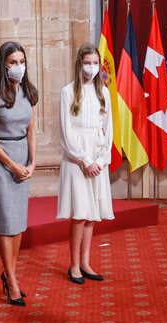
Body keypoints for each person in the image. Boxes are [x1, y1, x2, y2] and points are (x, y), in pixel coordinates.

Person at [0, 42, 39, 306]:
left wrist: (33, 162)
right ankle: (13, 283)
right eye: (13, 62)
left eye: (22, 61)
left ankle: (8, 273)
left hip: (22, 159)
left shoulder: (28, 91)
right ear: (3, 64)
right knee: (6, 223)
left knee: (18, 223)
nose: (19, 67)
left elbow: (31, 130)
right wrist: (12, 165)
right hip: (2, 160)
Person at [57, 43, 115, 284]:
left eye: (95, 63)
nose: (91, 67)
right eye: (87, 63)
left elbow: (108, 129)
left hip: (98, 157)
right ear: (80, 64)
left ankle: (86, 261)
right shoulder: (68, 92)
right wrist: (86, 160)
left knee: (92, 215)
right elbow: (66, 133)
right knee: (80, 214)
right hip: (77, 159)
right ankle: (73, 265)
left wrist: (100, 159)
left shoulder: (104, 92)